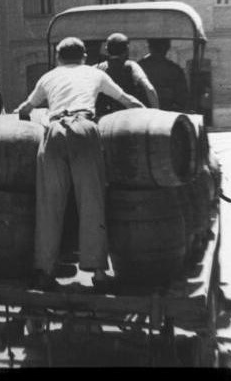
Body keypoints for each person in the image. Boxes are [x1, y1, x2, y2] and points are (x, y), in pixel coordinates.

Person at [14, 37, 145, 291]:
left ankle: (45, 269)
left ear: (58, 57)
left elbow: (25, 108)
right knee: (92, 201)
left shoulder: (48, 77)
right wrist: (145, 112)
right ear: (84, 56)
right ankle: (98, 272)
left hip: (53, 131)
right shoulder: (94, 73)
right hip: (85, 129)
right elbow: (128, 100)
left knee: (49, 204)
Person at [94, 32, 159, 117]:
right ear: (127, 50)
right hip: (128, 118)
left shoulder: (96, 68)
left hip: (104, 119)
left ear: (106, 50)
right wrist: (157, 114)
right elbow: (149, 89)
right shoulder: (132, 66)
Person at [138, 39, 191, 112]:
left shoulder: (139, 66)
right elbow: (182, 98)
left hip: (151, 112)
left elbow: (182, 98)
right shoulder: (174, 69)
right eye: (158, 48)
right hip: (162, 113)